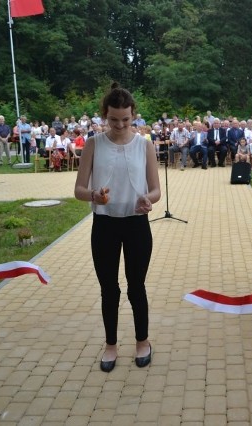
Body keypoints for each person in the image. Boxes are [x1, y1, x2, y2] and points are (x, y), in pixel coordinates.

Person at [74, 82, 161, 372]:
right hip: (105, 225)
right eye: (114, 120)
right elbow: (78, 190)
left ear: (134, 114)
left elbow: (156, 190)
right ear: (104, 116)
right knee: (109, 289)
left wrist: (148, 201)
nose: (121, 125)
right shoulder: (93, 144)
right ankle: (110, 344)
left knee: (137, 287)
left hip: (137, 224)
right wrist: (94, 196)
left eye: (126, 119)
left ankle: (142, 341)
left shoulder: (145, 145)